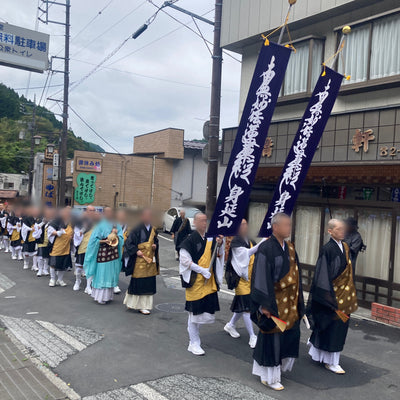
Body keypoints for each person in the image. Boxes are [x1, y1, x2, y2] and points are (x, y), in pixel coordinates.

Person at [251, 213, 304, 391]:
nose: (289, 228)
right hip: (273, 301)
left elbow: (296, 275)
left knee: (289, 334)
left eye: (290, 225)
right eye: (286, 225)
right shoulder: (266, 248)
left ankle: (278, 369)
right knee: (272, 337)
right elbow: (260, 277)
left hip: (289, 302)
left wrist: (299, 301)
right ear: (275, 227)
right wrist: (264, 305)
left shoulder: (289, 247)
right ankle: (269, 376)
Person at [307, 219, 358, 375]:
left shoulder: (345, 247)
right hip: (332, 294)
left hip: (345, 295)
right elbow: (322, 274)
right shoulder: (327, 249)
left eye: (343, 229)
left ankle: (325, 356)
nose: (342, 231)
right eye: (338, 229)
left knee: (339, 327)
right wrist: (328, 296)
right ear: (330, 231)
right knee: (331, 325)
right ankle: (331, 362)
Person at [179, 212, 225, 356]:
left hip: (208, 282)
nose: (204, 223)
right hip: (195, 281)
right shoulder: (190, 240)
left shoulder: (210, 239)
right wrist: (201, 270)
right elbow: (185, 260)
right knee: (194, 313)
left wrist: (220, 244)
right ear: (195, 223)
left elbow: (218, 254)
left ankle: (194, 340)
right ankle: (194, 342)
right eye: (201, 221)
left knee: (201, 313)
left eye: (206, 221)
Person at [224, 219, 265, 349]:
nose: (245, 227)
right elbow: (247, 253)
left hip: (251, 278)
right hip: (241, 279)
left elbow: (258, 253)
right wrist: (264, 240)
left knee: (243, 305)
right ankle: (252, 336)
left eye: (246, 224)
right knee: (247, 308)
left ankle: (230, 325)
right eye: (242, 225)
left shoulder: (249, 239)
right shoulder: (236, 242)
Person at [83, 207, 124, 305]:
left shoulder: (116, 224)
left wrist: (116, 236)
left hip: (113, 253)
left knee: (111, 273)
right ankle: (100, 297)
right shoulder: (100, 225)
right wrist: (104, 241)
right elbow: (93, 240)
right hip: (103, 253)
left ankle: (108, 296)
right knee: (102, 273)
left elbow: (122, 237)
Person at [123, 208, 159, 315]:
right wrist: (136, 251)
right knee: (138, 282)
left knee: (148, 282)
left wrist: (155, 246)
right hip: (139, 259)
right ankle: (138, 305)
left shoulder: (153, 229)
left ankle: (143, 305)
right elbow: (129, 243)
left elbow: (156, 241)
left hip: (150, 260)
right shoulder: (136, 228)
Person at [47, 207, 73, 287]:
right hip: (57, 246)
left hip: (66, 246)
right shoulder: (57, 220)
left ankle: (60, 279)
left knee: (63, 264)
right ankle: (52, 279)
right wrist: (58, 232)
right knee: (53, 263)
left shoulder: (71, 222)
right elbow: (49, 230)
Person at [73, 206, 97, 291]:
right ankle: (77, 281)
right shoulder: (80, 221)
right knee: (79, 266)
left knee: (90, 266)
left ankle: (88, 286)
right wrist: (84, 228)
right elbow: (77, 234)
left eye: (94, 210)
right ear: (86, 211)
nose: (92, 212)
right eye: (90, 210)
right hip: (82, 246)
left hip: (93, 246)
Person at [36, 206, 55, 277]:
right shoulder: (40, 219)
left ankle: (45, 269)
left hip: (49, 241)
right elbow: (36, 228)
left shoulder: (53, 221)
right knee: (40, 256)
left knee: (46, 256)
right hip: (41, 240)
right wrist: (42, 223)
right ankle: (40, 269)